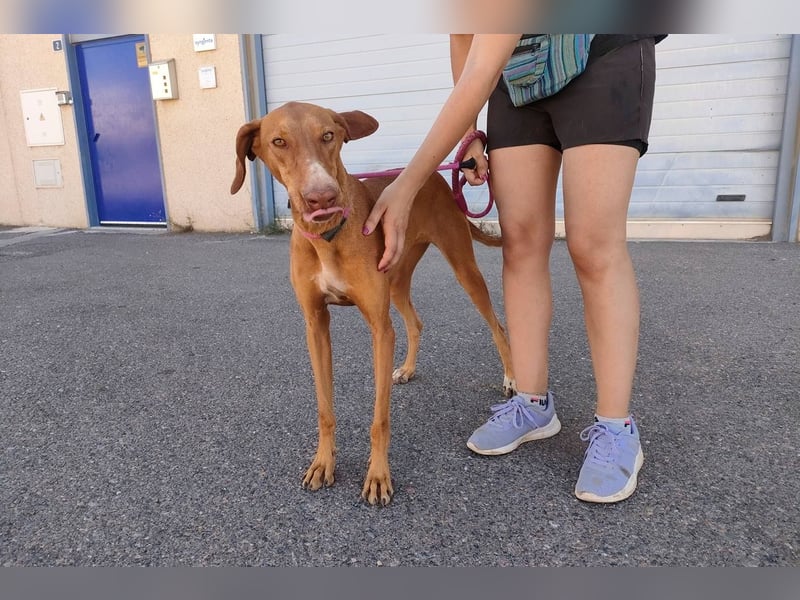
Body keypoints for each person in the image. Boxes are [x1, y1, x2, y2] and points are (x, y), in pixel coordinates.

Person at [362, 34, 663, 503]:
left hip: (602, 51)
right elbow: (467, 39)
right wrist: (470, 135)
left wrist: (407, 185)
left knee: (592, 245)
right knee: (520, 242)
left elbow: (484, 62)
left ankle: (616, 427)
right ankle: (532, 403)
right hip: (520, 77)